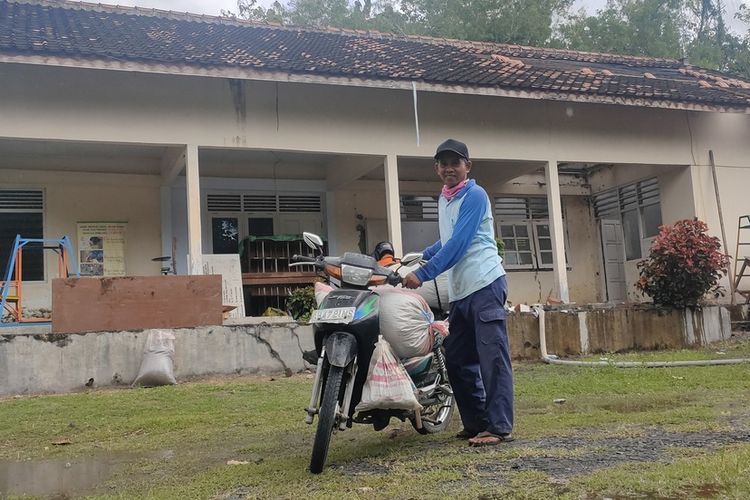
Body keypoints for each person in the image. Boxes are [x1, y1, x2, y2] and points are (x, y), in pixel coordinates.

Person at [402, 139, 514, 447]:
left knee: (492, 358)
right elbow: (446, 239)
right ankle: (477, 422)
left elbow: (460, 243)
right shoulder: (445, 198)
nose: (450, 168)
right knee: (457, 358)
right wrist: (418, 256)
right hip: (462, 291)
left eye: (456, 162)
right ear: (436, 168)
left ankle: (499, 427)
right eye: (444, 163)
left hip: (486, 284)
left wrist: (422, 274)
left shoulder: (474, 195)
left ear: (468, 166)